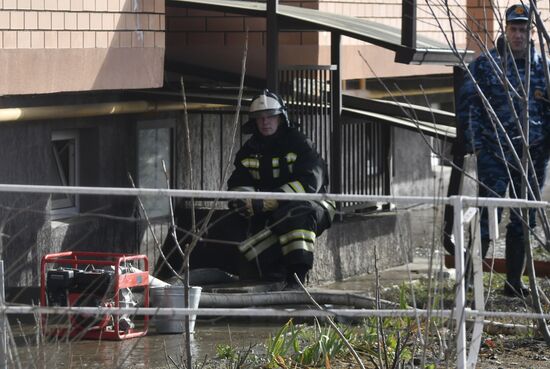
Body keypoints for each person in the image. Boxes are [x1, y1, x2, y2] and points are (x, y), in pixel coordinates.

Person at [457, 4, 550, 297]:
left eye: (523, 30)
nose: (518, 35)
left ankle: (514, 282)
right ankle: (471, 281)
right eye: (513, 29)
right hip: (495, 154)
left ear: (531, 32)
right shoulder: (487, 66)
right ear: (505, 31)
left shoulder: (543, 68)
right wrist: (478, 145)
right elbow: (469, 105)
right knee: (488, 216)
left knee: (525, 219)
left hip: (532, 156)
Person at [227, 90, 335, 289]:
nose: (265, 122)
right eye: (260, 118)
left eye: (270, 116)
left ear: (281, 117)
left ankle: (297, 278)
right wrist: (245, 201)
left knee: (293, 215)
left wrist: (274, 200)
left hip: (313, 205)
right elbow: (238, 181)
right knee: (234, 222)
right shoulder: (249, 150)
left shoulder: (300, 144)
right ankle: (272, 272)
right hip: (269, 210)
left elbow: (309, 182)